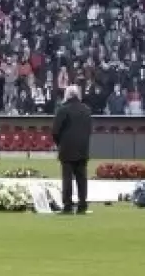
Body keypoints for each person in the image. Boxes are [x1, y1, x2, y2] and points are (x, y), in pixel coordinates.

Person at [51, 85, 92, 214]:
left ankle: (68, 206)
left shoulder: (63, 110)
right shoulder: (86, 110)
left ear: (67, 95)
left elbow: (55, 131)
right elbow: (89, 130)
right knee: (82, 178)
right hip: (82, 148)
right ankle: (82, 205)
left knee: (67, 178)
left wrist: (60, 144)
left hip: (67, 147)